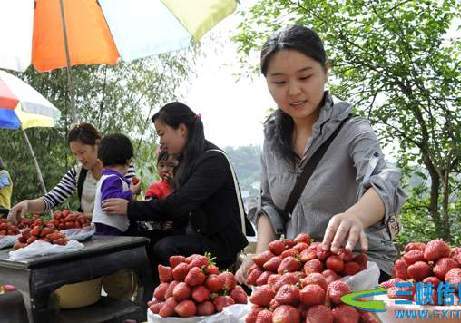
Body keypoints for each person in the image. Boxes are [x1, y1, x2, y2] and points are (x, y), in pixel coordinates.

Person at [235, 25, 406, 283]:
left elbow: (385, 183)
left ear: (325, 71)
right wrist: (261, 259)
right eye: (280, 81)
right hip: (301, 270)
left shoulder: (353, 130)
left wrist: (355, 216)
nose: (293, 91)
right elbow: (269, 205)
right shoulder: (272, 138)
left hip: (356, 265)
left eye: (305, 77)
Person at [102, 102, 250, 270]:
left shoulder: (212, 160)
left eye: (162, 133)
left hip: (221, 244)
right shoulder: (187, 161)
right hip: (196, 234)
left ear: (181, 129)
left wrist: (130, 208)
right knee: (138, 241)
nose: (161, 141)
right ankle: (156, 294)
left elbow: (178, 204)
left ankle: (174, 293)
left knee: (165, 247)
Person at [8, 123, 139, 222]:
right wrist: (27, 204)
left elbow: (125, 207)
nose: (79, 158)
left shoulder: (123, 167)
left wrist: (82, 216)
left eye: (82, 152)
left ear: (97, 145)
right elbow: (52, 198)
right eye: (75, 154)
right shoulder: (77, 173)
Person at [93, 133, 138, 236]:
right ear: (128, 161)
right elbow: (110, 200)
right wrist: (131, 192)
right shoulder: (113, 179)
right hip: (109, 232)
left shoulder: (108, 177)